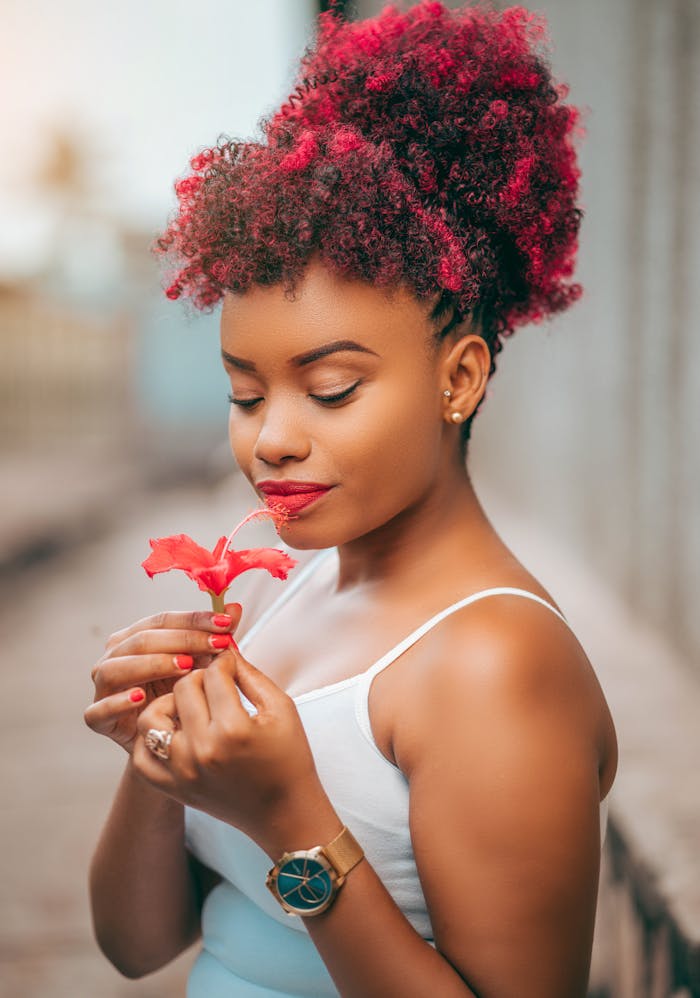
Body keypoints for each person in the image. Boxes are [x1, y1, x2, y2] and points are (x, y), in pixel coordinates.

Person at [85, 3, 617, 996]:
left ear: (458, 379)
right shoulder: (300, 589)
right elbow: (134, 941)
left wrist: (289, 816)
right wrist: (159, 756)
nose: (269, 434)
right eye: (244, 391)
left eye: (330, 388)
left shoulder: (493, 665)